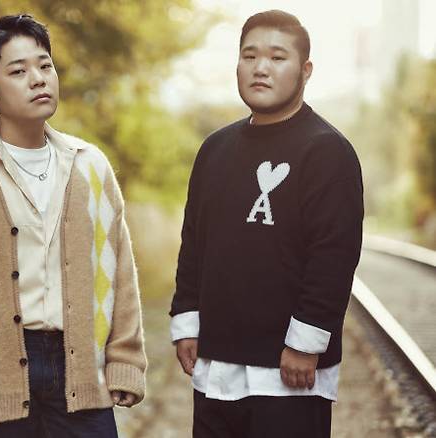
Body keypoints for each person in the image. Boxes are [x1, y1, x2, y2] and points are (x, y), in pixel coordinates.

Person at [0, 14, 146, 437]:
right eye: (18, 71)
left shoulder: (89, 165)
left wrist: (125, 360)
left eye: (45, 65)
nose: (38, 79)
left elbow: (119, 272)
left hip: (81, 369)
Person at [170, 9, 364, 438]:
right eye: (249, 56)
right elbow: (194, 243)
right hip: (217, 364)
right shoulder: (215, 149)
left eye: (277, 57)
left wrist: (305, 344)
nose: (260, 68)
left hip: (288, 370)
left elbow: (334, 257)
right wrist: (187, 321)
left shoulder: (327, 151)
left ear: (305, 70)